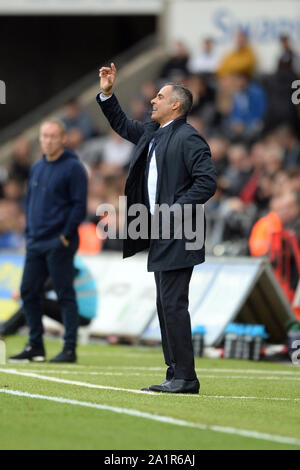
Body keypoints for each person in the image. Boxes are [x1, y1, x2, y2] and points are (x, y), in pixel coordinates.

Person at [97, 63, 217, 394]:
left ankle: (186, 377)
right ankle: (174, 372)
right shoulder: (153, 134)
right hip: (161, 233)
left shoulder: (189, 137)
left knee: (174, 304)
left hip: (180, 233)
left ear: (175, 105)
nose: (153, 100)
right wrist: (107, 93)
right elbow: (121, 123)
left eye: (160, 96)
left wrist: (174, 210)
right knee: (166, 305)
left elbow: (207, 182)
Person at [9, 120, 88, 363]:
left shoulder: (73, 167)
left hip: (58, 241)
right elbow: (31, 202)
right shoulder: (37, 166)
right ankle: (36, 345)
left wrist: (65, 234)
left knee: (65, 293)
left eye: (53, 136)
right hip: (35, 240)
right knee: (28, 291)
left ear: (63, 139)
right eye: (44, 136)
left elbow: (79, 205)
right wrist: (29, 232)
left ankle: (70, 348)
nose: (48, 140)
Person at [1, 258, 97, 338]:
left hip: (81, 315)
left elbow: (53, 283)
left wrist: (25, 292)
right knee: (35, 301)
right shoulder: (71, 260)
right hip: (77, 311)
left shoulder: (71, 262)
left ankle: (6, 329)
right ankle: (8, 328)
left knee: (36, 302)